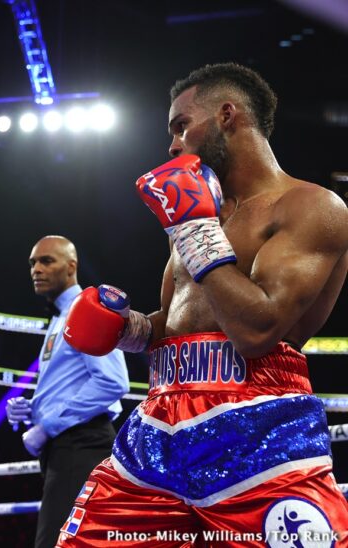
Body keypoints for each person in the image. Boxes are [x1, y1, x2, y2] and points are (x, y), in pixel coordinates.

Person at [55, 62, 348, 545]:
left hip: (259, 425)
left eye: (181, 125)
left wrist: (194, 230)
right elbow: (174, 325)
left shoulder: (310, 207)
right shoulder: (198, 217)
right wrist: (127, 328)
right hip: (159, 421)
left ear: (228, 116)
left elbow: (256, 332)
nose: (172, 144)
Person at [5, 235, 129, 548]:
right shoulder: (61, 317)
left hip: (81, 446)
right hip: (67, 448)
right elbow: (68, 384)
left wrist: (47, 426)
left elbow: (113, 382)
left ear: (71, 266)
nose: (36, 269)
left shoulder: (88, 309)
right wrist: (33, 409)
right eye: (33, 262)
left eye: (47, 261)